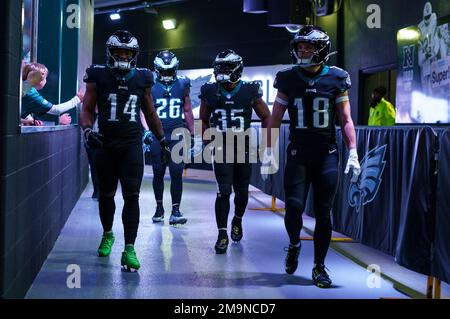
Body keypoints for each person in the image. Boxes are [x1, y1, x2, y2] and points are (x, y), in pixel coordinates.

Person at [262, 25, 361, 288]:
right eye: (299, 46)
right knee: (293, 206)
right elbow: (274, 118)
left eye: (308, 46)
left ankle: (319, 266)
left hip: (327, 154)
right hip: (298, 152)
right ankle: (294, 244)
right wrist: (268, 150)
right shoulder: (288, 78)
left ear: (321, 49)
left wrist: (353, 150)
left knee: (323, 212)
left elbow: (346, 119)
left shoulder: (337, 78)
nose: (302, 50)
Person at [80, 30, 170, 271]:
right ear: (109, 52)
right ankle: (108, 234)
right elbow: (87, 109)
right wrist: (88, 131)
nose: (122, 55)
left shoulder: (143, 78)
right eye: (118, 51)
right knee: (107, 195)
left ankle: (129, 248)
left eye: (127, 52)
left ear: (134, 55)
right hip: (106, 144)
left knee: (132, 196)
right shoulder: (98, 75)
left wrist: (162, 140)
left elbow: (150, 113)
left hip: (131, 145)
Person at [200, 49, 271, 254]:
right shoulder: (210, 91)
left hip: (244, 147)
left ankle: (237, 220)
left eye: (226, 67)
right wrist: (206, 140)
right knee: (223, 190)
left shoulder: (249, 91)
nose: (221, 71)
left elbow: (266, 117)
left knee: (241, 191)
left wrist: (267, 143)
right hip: (221, 146)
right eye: (219, 67)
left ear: (237, 69)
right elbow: (204, 118)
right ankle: (222, 233)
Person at [142, 50, 194, 225]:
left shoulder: (183, 84)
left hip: (177, 133)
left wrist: (193, 133)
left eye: (169, 71)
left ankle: (176, 210)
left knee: (177, 173)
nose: (166, 74)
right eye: (163, 71)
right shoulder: (150, 84)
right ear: (157, 70)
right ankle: (159, 208)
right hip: (158, 134)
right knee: (158, 173)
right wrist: (146, 130)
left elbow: (187, 111)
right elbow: (144, 110)